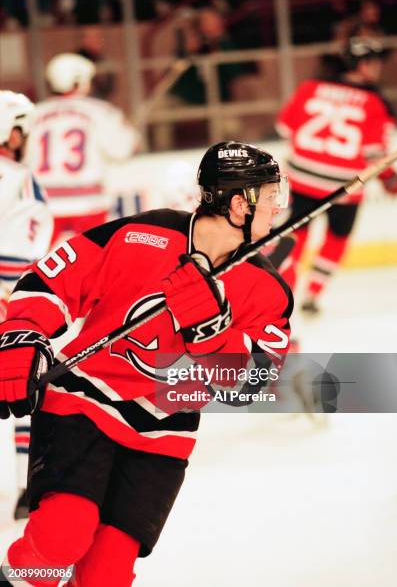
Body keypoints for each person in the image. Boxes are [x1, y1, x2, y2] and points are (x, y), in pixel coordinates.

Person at [0, 141, 292, 586]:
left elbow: (251, 386)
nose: (278, 208)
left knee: (107, 574)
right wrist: (23, 335)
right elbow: (49, 280)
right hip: (82, 403)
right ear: (238, 204)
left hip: (163, 433)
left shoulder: (268, 289)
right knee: (60, 540)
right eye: (271, 197)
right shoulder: (142, 233)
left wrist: (212, 332)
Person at [275, 37, 397, 315]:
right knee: (336, 239)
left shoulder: (310, 87)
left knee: (294, 237)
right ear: (365, 64)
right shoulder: (374, 102)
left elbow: (284, 128)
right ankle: (312, 295)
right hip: (344, 187)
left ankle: (282, 293)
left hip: (300, 180)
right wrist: (391, 179)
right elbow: (374, 154)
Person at [0, 90, 53, 520]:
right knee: (25, 382)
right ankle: (27, 485)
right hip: (6, 298)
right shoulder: (18, 179)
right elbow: (22, 256)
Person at [24, 53, 140, 248]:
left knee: (35, 271)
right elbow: (123, 151)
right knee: (96, 267)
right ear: (80, 81)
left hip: (43, 205)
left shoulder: (32, 114)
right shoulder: (102, 111)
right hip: (90, 204)